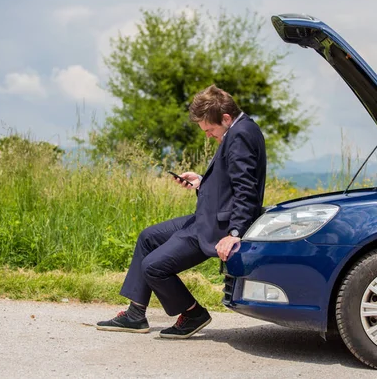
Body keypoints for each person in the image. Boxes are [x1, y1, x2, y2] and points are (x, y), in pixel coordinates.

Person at [96, 84, 267, 339]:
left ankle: (193, 313)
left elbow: (246, 190)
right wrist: (201, 182)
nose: (208, 135)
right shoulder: (239, 130)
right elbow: (229, 181)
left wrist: (234, 233)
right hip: (206, 217)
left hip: (215, 227)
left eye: (210, 130)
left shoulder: (240, 135)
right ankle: (135, 314)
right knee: (148, 237)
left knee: (153, 266)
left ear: (226, 118)